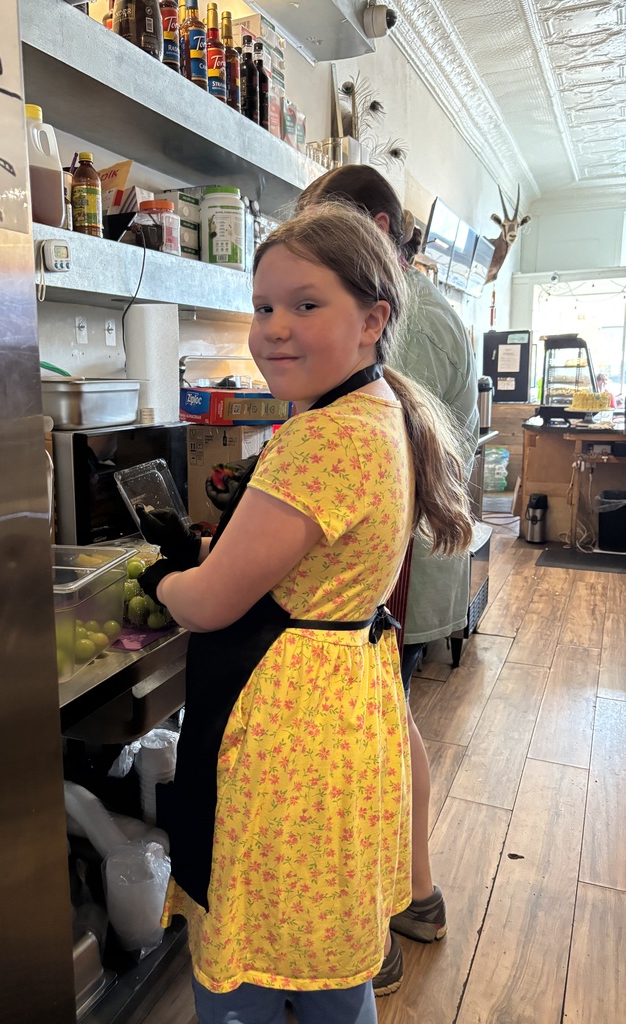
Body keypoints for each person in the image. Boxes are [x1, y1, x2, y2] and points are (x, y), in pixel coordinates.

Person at [136, 202, 472, 1024]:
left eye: (304, 304)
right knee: (325, 952)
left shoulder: (321, 439)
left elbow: (213, 603)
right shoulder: (375, 412)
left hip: (286, 726)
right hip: (341, 701)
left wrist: (159, 579)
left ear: (372, 319)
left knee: (247, 958)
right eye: (263, 307)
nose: (274, 329)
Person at [298, 166, 480, 995]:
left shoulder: (406, 319)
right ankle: (414, 896)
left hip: (394, 564)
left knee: (371, 746)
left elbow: (375, 445)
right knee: (394, 728)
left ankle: (375, 931)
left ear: (375, 225)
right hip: (399, 559)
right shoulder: (428, 309)